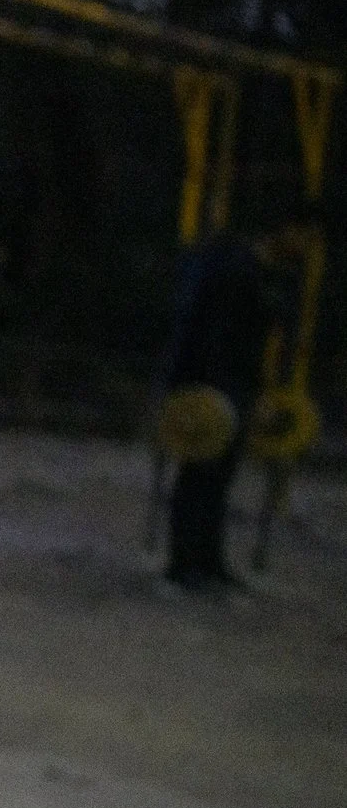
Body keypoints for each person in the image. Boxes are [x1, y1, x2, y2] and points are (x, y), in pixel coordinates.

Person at [159, 228, 273, 591]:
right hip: (219, 386)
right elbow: (225, 339)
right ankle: (191, 563)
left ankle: (202, 561)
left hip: (216, 384)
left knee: (210, 478)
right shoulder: (240, 274)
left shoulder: (233, 268)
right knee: (203, 477)